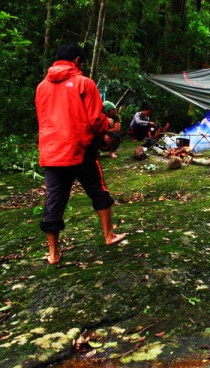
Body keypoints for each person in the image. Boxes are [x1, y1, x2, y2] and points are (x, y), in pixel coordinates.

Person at [35, 43, 127, 265]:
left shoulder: (41, 87)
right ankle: (108, 235)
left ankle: (53, 253)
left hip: (52, 152)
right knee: (98, 191)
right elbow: (96, 120)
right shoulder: (84, 83)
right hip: (80, 149)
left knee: (54, 201)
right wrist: (107, 125)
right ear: (77, 61)